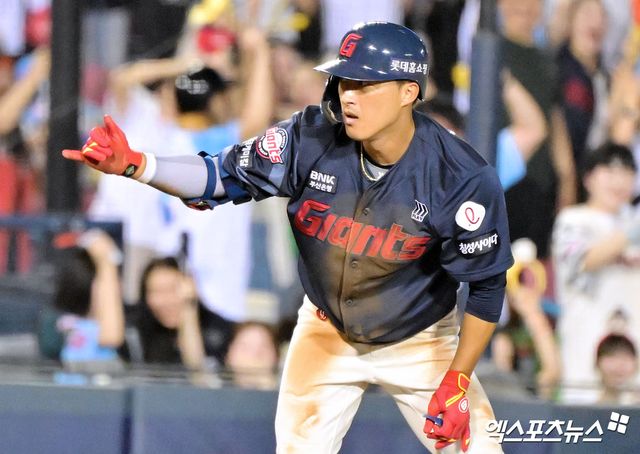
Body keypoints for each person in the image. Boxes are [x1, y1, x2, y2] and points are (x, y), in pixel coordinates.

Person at [62, 22, 513, 453]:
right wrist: (138, 164)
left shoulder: (460, 177)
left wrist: (458, 378)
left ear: (408, 92)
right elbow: (219, 177)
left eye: (364, 85)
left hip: (419, 335)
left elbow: (487, 286)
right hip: (328, 327)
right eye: (344, 81)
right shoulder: (309, 137)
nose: (347, 95)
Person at [552, 142, 640, 403]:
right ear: (588, 178)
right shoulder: (572, 220)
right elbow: (580, 261)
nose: (619, 181)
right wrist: (630, 233)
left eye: (626, 173)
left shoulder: (631, 221)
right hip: (585, 366)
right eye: (610, 172)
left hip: (633, 373)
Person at [124, 256, 234, 370]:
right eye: (156, 291)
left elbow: (198, 370)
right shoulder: (135, 330)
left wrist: (189, 308)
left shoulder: (217, 329)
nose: (165, 300)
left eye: (172, 289)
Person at [224, 320, 280, 390]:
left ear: (277, 356)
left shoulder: (288, 393)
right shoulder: (214, 389)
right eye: (245, 347)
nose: (254, 354)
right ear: (229, 355)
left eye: (264, 347)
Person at [595, 333, 640, 405]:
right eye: (611, 357)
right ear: (598, 363)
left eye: (625, 358)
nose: (619, 365)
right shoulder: (583, 405)